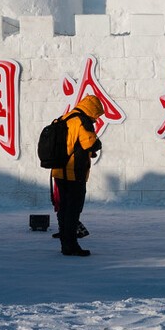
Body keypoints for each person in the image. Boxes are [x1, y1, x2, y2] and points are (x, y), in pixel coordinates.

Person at [50, 94, 103, 256]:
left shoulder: (63, 118)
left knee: (64, 208)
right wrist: (95, 145)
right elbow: (92, 143)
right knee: (73, 209)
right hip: (74, 173)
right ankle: (71, 245)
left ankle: (65, 243)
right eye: (96, 115)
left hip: (58, 171)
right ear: (92, 109)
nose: (96, 119)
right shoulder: (82, 121)